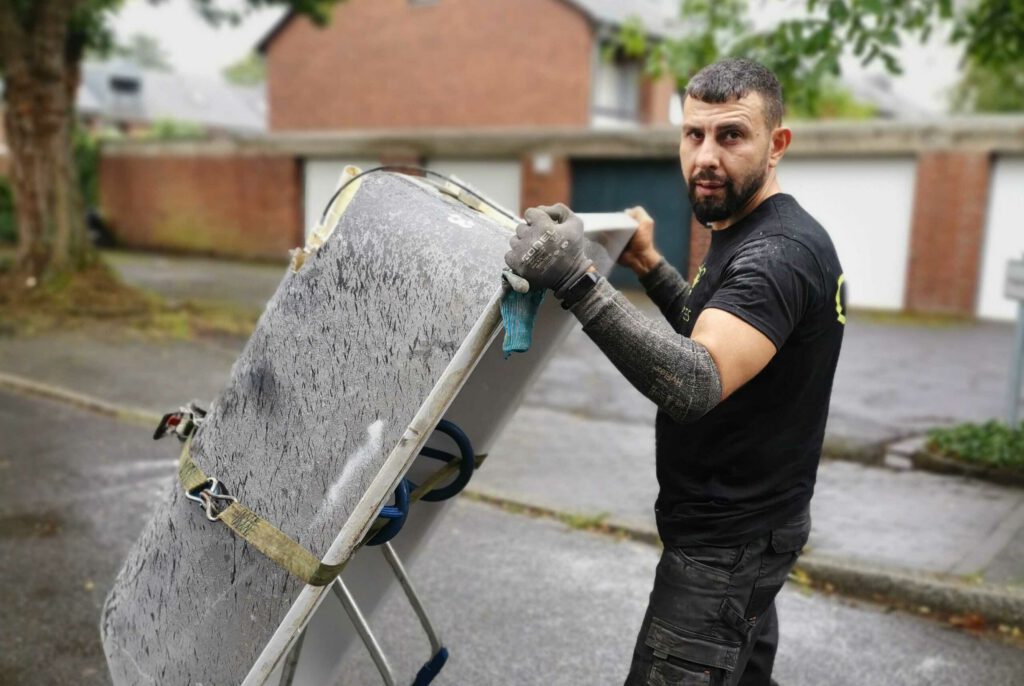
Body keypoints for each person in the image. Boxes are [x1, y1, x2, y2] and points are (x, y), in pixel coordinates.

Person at [504, 58, 846, 686]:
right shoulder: (749, 231)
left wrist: (576, 278)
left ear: (777, 145)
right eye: (694, 135)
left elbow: (696, 380)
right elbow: (713, 327)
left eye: (732, 135)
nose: (706, 156)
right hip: (750, 531)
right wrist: (651, 265)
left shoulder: (777, 255)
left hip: (727, 549)